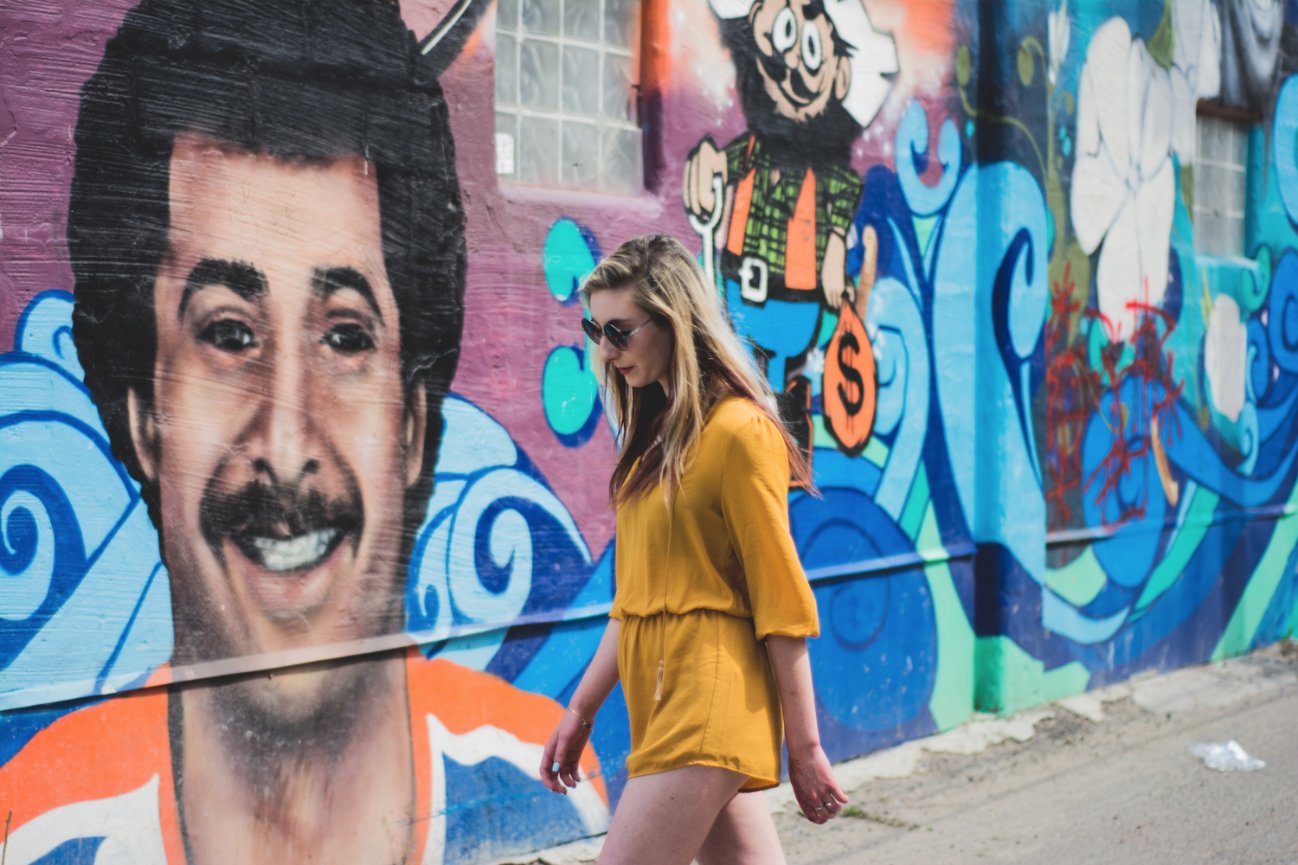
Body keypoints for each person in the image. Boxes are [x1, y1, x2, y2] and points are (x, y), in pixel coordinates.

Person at [0, 1, 605, 863]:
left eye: (346, 338)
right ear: (141, 417)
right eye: (228, 333)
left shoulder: (544, 777)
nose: (286, 447)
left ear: (413, 423)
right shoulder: (37, 829)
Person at [539, 234, 846, 864]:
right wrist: (581, 710)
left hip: (707, 701)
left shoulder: (739, 432)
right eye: (595, 331)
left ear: (675, 321)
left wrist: (806, 746)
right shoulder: (652, 444)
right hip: (661, 699)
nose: (606, 351)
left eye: (620, 331)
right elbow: (633, 604)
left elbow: (781, 600)